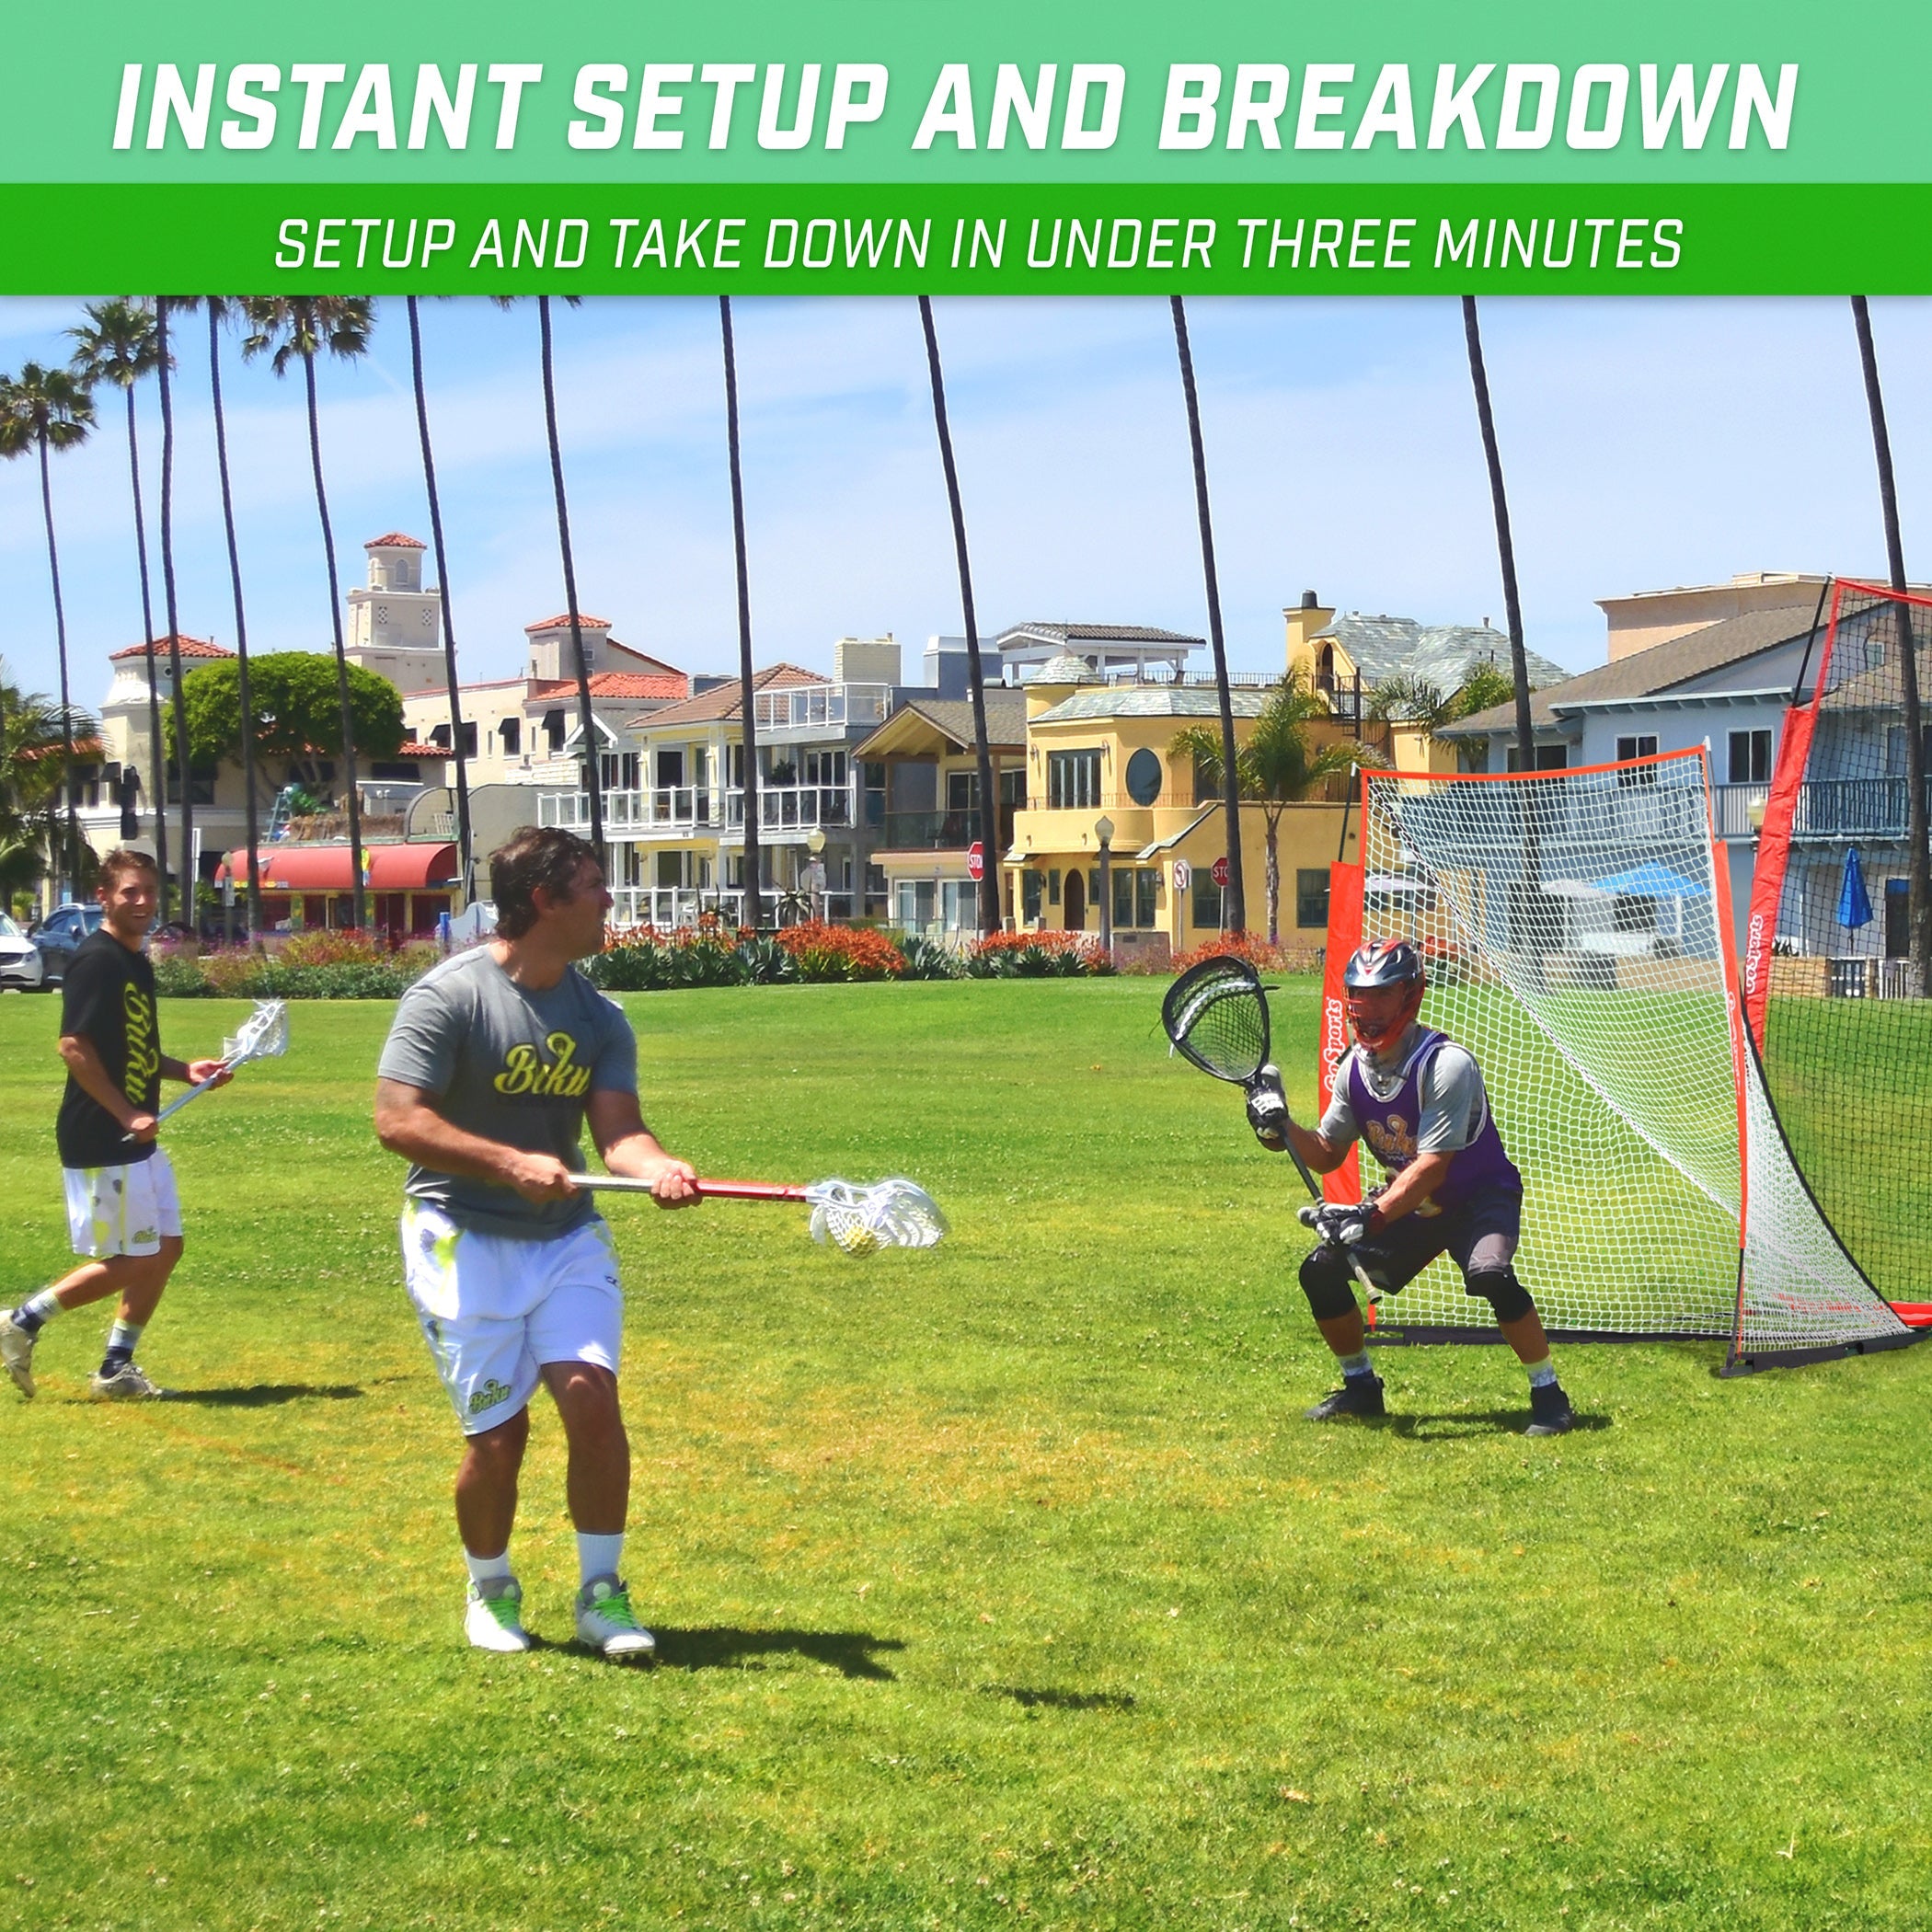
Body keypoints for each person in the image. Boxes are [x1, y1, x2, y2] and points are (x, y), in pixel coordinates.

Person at [374, 826, 699, 1660]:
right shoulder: (447, 998)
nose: (607, 900)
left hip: (565, 1237)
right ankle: (491, 1589)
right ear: (545, 901)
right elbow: (398, 1122)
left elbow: (620, 1132)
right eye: (592, 885)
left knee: (592, 1400)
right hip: (460, 1235)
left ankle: (602, 1594)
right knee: (498, 1435)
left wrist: (658, 1167)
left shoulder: (599, 1015)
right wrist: (506, 1161)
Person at [1246, 937, 1575, 1437]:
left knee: (1489, 1275)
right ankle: (1360, 1389)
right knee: (1321, 1272)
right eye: (1358, 994)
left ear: (1410, 995)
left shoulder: (1446, 1065)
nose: (1366, 1008)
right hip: (1413, 1206)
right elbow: (1327, 1150)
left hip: (1478, 1196)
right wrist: (1279, 1126)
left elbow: (1434, 1167)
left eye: (1382, 994)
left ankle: (1550, 1395)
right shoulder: (1354, 1070)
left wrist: (1370, 1216)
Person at [0, 848, 230, 1401]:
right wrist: (126, 1111)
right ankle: (21, 1321)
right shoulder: (97, 959)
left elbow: (135, 1048)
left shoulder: (134, 960)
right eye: (130, 891)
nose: (144, 902)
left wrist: (182, 1071)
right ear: (104, 896)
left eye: (150, 891)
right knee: (137, 1256)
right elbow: (73, 1046)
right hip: (105, 1133)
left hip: (136, 1136)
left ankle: (115, 1368)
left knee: (165, 1248)